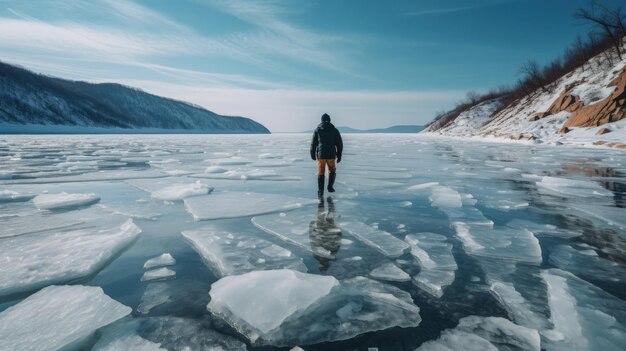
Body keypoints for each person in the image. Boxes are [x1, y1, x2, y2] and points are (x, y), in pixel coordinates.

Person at [310, 113, 343, 197]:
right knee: (332, 170)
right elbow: (339, 144)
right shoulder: (334, 130)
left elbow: (313, 143)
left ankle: (321, 191)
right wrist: (339, 155)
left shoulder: (317, 130)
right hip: (331, 155)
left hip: (321, 155)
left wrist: (312, 154)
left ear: (321, 120)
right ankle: (330, 187)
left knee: (321, 172)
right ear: (329, 120)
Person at [309, 196, 341, 272]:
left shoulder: (330, 255)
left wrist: (337, 233)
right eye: (321, 266)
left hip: (327, 232)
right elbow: (313, 243)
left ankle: (326, 202)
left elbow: (337, 243)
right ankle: (324, 201)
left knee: (328, 217)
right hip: (326, 232)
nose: (319, 264)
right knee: (325, 217)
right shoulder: (323, 256)